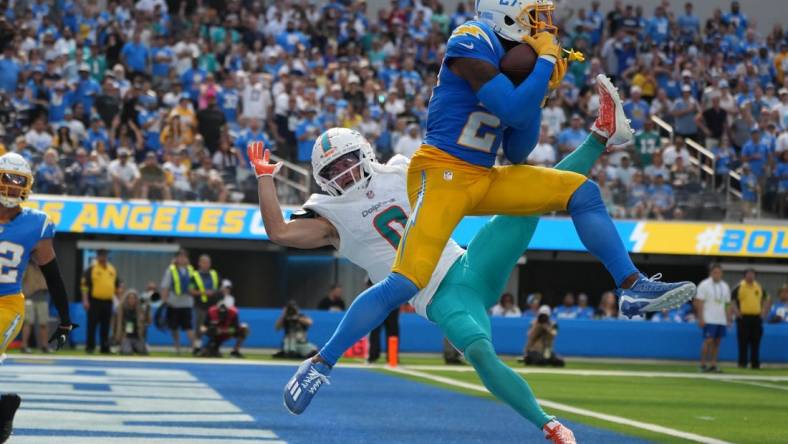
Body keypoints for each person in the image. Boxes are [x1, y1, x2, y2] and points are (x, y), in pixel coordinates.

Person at [278, 3, 693, 427]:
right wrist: (544, 63)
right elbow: (510, 109)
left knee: (582, 193)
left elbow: (517, 148)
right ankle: (321, 364)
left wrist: (540, 86)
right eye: (534, 15)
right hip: (441, 173)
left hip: (481, 174)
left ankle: (631, 284)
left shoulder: (509, 65)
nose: (541, 26)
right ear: (505, 14)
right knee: (403, 282)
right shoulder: (471, 38)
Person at [0, 153, 76, 442]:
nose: (13, 186)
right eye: (8, 177)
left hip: (6, 303)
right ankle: (3, 412)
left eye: (20, 180)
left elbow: (53, 276)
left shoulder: (36, 223)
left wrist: (66, 320)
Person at [695, 263, 733, 373]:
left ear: (722, 273)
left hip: (721, 319)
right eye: (715, 272)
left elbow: (727, 304)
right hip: (709, 318)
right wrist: (701, 318)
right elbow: (699, 302)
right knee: (708, 340)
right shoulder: (704, 284)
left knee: (717, 342)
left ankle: (713, 364)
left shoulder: (725, 286)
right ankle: (702, 364)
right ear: (710, 273)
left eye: (719, 272)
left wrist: (729, 318)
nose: (717, 274)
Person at [81, 249, 118, 354]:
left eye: (105, 255)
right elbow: (84, 286)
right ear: (97, 256)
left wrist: (117, 300)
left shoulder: (112, 269)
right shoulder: (91, 269)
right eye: (101, 255)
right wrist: (85, 300)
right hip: (94, 301)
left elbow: (116, 285)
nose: (103, 257)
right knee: (92, 325)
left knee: (106, 326)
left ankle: (104, 347)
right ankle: (90, 347)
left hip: (108, 301)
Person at [159, 249, 196, 355]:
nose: (182, 259)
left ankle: (194, 347)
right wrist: (164, 301)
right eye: (180, 257)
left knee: (188, 326)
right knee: (174, 327)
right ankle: (177, 348)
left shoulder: (191, 270)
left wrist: (192, 291)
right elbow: (165, 286)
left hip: (187, 303)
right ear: (176, 258)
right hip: (173, 303)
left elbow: (195, 284)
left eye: (184, 257)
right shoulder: (170, 270)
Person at [732, 269, 770, 369]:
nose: (750, 276)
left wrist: (764, 312)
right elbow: (732, 300)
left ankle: (755, 363)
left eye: (752, 274)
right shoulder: (739, 286)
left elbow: (767, 299)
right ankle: (742, 363)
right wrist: (736, 312)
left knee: (755, 341)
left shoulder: (759, 287)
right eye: (748, 274)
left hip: (756, 318)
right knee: (743, 341)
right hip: (743, 317)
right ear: (744, 276)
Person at [189, 254, 221, 354]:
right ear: (199, 263)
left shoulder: (214, 274)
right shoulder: (194, 276)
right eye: (204, 262)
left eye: (208, 262)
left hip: (213, 306)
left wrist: (214, 292)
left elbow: (220, 288)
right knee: (200, 327)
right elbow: (191, 290)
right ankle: (197, 348)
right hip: (200, 306)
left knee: (214, 327)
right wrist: (204, 293)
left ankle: (213, 348)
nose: (206, 264)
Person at [21, 262, 49, 353]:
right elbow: (20, 279)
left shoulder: (45, 266)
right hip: (29, 297)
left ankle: (45, 346)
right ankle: (24, 346)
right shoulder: (27, 266)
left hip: (42, 297)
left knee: (44, 323)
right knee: (28, 322)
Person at [112, 288, 149, 356]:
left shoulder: (140, 310)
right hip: (126, 336)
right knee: (127, 352)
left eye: (134, 298)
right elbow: (115, 325)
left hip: (137, 337)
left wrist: (146, 313)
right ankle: (122, 347)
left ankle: (135, 347)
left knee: (143, 352)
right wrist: (117, 337)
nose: (132, 300)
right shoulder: (121, 310)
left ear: (136, 299)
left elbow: (149, 322)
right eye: (130, 298)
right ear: (126, 299)